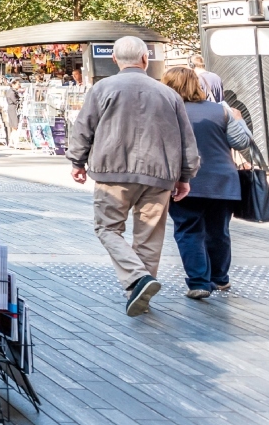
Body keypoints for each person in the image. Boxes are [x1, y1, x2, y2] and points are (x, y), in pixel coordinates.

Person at [66, 36, 200, 317]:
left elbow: (83, 127)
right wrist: (186, 176)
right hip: (159, 175)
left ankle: (138, 279)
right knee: (149, 236)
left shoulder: (102, 88)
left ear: (114, 59)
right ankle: (139, 294)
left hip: (113, 173)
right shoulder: (168, 94)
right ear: (145, 59)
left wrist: (77, 161)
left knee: (107, 228)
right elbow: (186, 139)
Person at [161, 67, 253, 299]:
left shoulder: (166, 113)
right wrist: (238, 119)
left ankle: (199, 283)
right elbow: (242, 142)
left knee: (188, 231)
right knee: (218, 231)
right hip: (223, 182)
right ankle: (220, 279)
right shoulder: (221, 111)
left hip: (183, 181)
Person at [3, 79, 21, 146]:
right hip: (13, 109)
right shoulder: (12, 92)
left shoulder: (11, 91)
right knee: (15, 125)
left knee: (14, 127)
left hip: (11, 108)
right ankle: (13, 141)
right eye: (18, 84)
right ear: (13, 84)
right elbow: (15, 101)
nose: (19, 85)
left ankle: (12, 142)